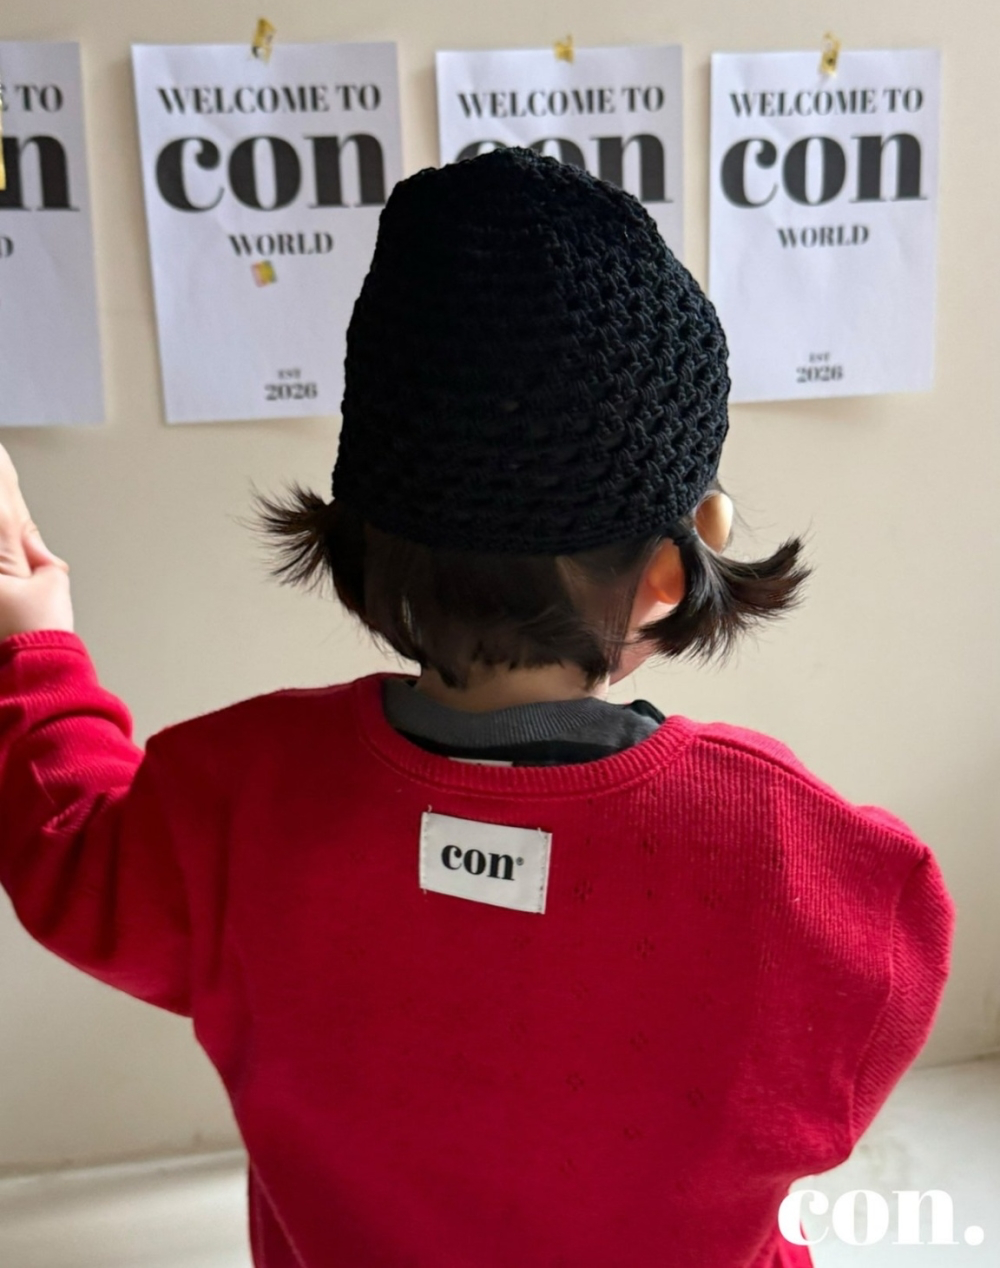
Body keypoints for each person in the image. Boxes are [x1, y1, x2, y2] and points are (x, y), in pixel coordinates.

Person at [0, 147, 953, 1266]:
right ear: (672, 566)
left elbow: (70, 852)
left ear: (360, 535)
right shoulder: (816, 866)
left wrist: (32, 642)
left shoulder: (235, 798)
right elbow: (838, 1083)